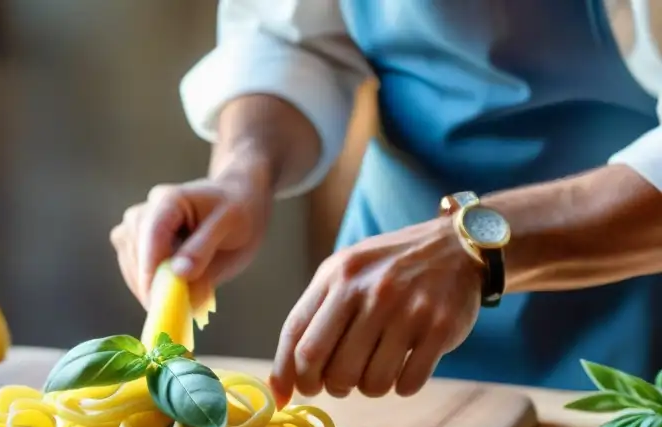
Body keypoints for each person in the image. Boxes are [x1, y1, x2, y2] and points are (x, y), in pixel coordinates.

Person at [110, 0, 662, 402]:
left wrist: (471, 245)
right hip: (389, 289)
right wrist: (242, 172)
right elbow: (291, 35)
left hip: (631, 292)